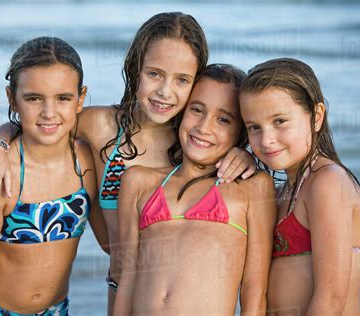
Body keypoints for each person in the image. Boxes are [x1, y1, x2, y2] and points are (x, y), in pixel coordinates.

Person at [0, 12, 256, 314]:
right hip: (120, 285)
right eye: (155, 74)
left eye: (181, 80)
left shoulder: (197, 145)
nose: (165, 91)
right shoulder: (99, 127)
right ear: (135, 68)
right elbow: (44, 120)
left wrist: (243, 152)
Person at [114, 64, 277, 315]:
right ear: (181, 112)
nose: (204, 127)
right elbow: (126, 277)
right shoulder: (137, 181)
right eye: (197, 110)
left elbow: (254, 290)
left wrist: (247, 156)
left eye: (223, 119)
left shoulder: (251, 187)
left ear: (240, 131)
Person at [0, 36, 108, 315]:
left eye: (63, 98)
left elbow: (111, 244)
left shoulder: (86, 165)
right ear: (12, 99)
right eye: (33, 98)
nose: (49, 113)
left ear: (81, 99)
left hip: (58, 310)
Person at [239, 57, 360, 315]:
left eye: (280, 121)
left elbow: (331, 297)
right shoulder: (283, 191)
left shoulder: (328, 182)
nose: (267, 140)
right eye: (254, 127)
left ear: (316, 116)